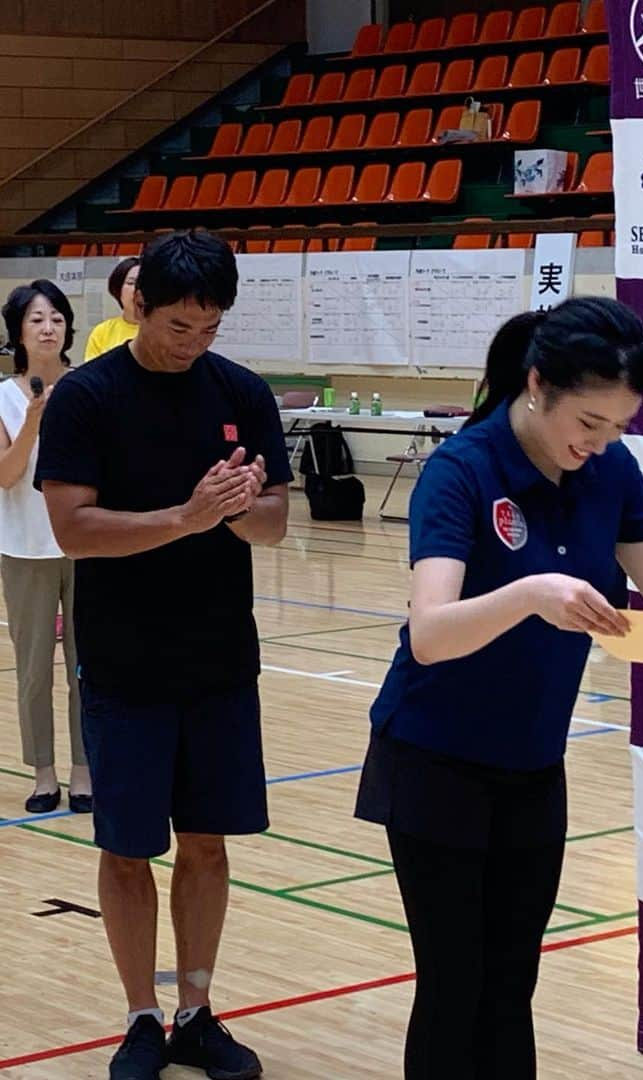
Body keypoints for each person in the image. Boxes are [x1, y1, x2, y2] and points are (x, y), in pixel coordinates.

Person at [353, 296, 643, 1080]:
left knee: (512, 986)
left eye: (619, 427)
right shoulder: (462, 470)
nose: (601, 442)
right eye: (589, 422)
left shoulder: (610, 469)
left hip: (531, 765)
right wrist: (529, 595)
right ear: (537, 384)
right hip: (433, 759)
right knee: (455, 987)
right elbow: (431, 632)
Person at [36, 230, 292, 1080]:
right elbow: (72, 526)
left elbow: (273, 523)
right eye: (181, 326)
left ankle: (197, 1009)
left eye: (211, 328)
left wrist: (240, 507)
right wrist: (183, 517)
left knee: (209, 843)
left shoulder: (244, 394)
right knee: (125, 846)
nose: (195, 343)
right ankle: (141, 1017)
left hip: (220, 653)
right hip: (122, 657)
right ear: (139, 303)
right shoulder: (88, 397)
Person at [0, 280, 88, 813]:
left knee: (89, 664)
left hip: (85, 546)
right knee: (34, 668)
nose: (48, 327)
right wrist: (32, 421)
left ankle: (84, 770)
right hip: (24, 550)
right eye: (36, 319)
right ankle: (44, 773)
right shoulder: (4, 398)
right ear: (19, 332)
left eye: (56, 317)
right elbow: (7, 477)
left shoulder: (90, 388)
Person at [84, 257, 140, 362]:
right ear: (118, 290)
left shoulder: (161, 330)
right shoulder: (102, 332)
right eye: (131, 283)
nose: (137, 290)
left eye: (143, 284)